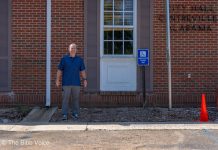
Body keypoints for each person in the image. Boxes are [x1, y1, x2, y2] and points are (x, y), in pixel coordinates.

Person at [56, 43, 87, 120]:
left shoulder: (79, 60)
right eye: (72, 48)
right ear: (69, 49)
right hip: (66, 83)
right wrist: (57, 79)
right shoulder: (64, 59)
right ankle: (64, 114)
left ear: (76, 50)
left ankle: (75, 113)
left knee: (75, 99)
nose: (73, 49)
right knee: (65, 99)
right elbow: (59, 70)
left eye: (74, 48)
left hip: (76, 83)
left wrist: (85, 80)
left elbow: (82, 71)